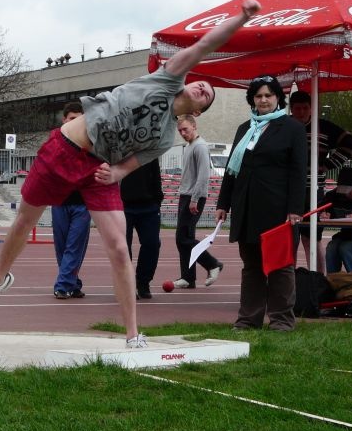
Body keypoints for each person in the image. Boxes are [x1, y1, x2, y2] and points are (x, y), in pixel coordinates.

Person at [0, 0, 262, 348]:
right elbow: (205, 45)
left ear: (198, 112)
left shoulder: (165, 138)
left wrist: (116, 174)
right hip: (65, 148)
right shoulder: (167, 79)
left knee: (119, 249)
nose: (203, 89)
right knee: (24, 221)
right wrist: (241, 17)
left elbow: (129, 166)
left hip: (99, 169)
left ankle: (133, 335)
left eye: (208, 96)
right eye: (202, 84)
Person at [215, 75, 307, 331]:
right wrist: (223, 203)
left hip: (278, 210)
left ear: (278, 98)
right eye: (258, 96)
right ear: (252, 99)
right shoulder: (244, 128)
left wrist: (295, 209)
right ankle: (248, 319)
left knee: (280, 266)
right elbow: (232, 169)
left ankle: (281, 320)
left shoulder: (293, 128)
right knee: (251, 267)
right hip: (246, 208)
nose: (263, 100)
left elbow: (298, 172)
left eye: (268, 95)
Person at [289, 90, 352, 273]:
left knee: (312, 238)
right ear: (291, 109)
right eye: (297, 108)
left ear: (311, 108)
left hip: (314, 191)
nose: (302, 112)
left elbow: (351, 143)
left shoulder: (323, 127)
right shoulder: (283, 126)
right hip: (287, 191)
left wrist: (327, 165)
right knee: (289, 239)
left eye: (305, 108)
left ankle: (319, 279)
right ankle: (288, 282)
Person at [173, 114, 223, 289]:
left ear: (194, 126)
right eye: (180, 130)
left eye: (185, 129)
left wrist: (194, 199)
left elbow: (203, 176)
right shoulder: (190, 146)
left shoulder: (200, 146)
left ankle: (213, 264)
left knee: (183, 238)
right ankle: (188, 278)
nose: (182, 133)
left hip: (193, 197)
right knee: (185, 238)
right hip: (186, 196)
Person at [51, 102, 91, 300]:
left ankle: (62, 286)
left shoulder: (90, 142)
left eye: (79, 119)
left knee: (74, 245)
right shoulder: (55, 141)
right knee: (61, 247)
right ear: (64, 120)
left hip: (82, 204)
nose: (76, 122)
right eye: (72, 119)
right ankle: (73, 283)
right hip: (59, 201)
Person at [120, 158, 163, 299]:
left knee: (152, 244)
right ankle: (127, 285)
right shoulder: (120, 149)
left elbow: (156, 175)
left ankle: (143, 283)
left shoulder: (150, 151)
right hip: (123, 206)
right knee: (123, 247)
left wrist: (157, 202)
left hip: (149, 206)